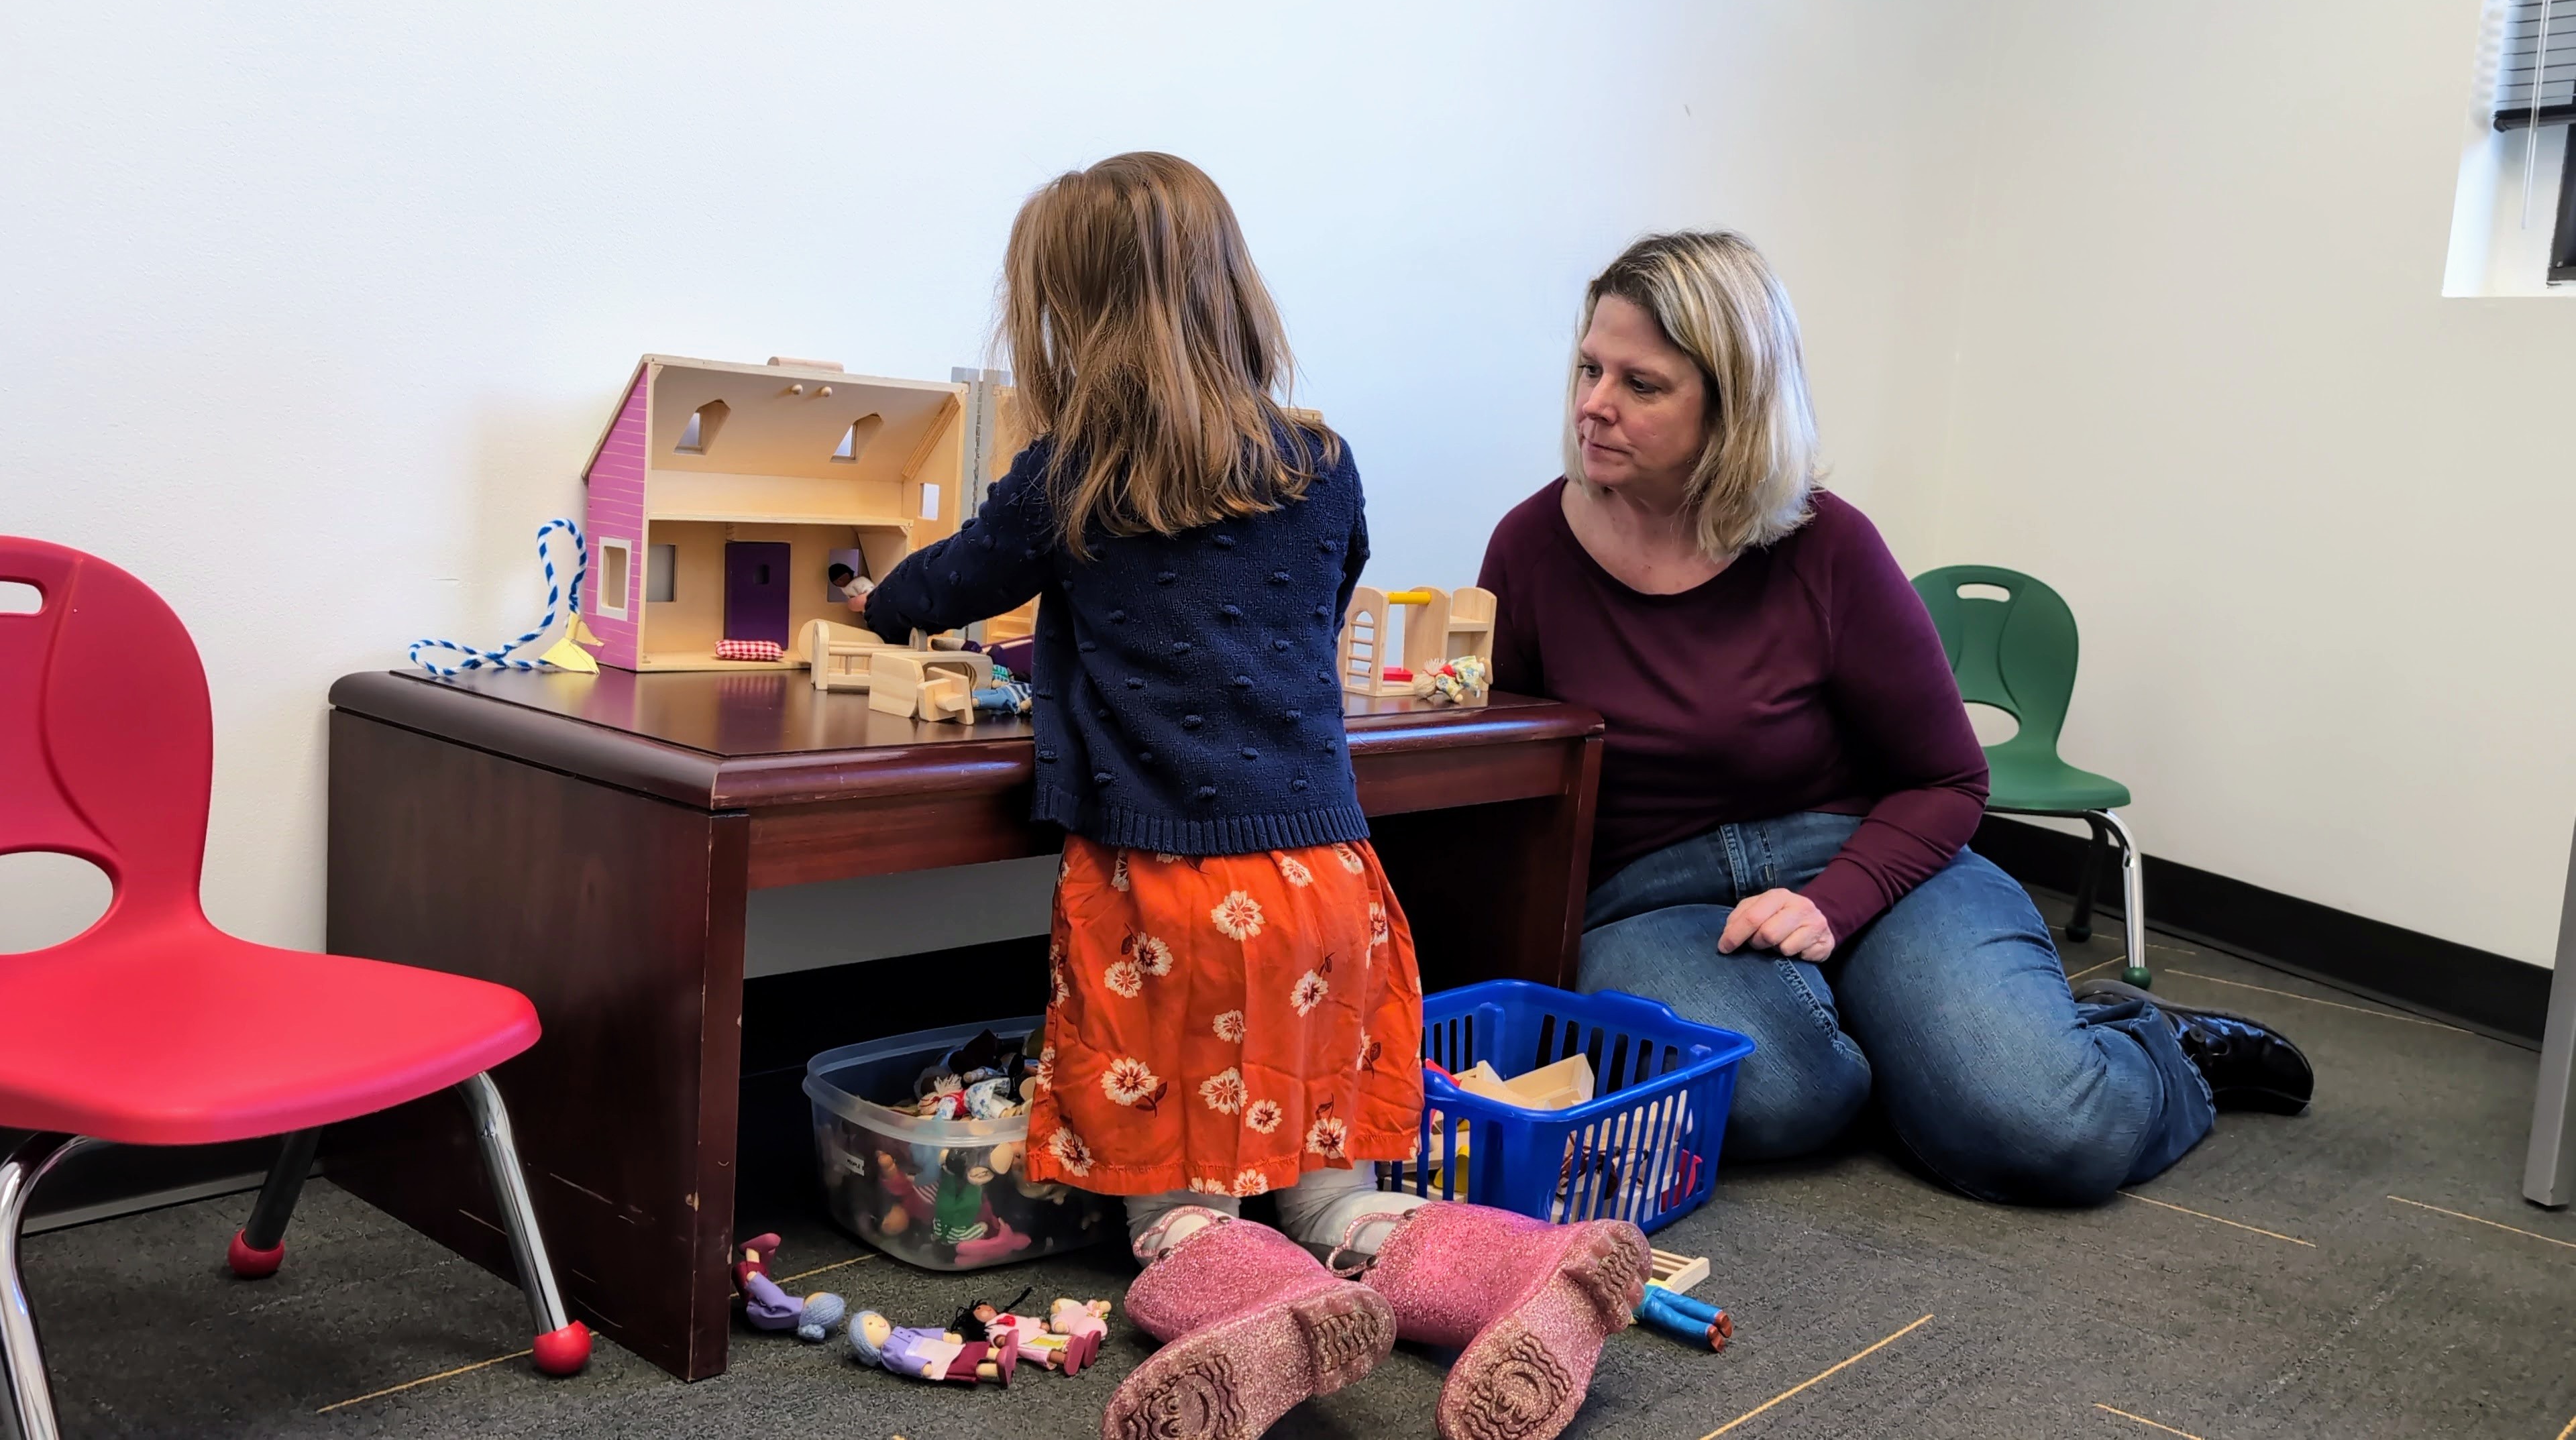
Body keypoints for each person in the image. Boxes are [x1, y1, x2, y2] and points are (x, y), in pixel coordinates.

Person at [859, 152, 1650, 1440]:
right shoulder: (1322, 460)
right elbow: (1305, 606)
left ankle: (1256, 1313)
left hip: (1163, 898)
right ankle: (1515, 1274)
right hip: (1331, 884)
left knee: (1183, 1210)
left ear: (1067, 317)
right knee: (1336, 1194)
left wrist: (865, 599)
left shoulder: (1069, 472)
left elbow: (938, 589)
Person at [1476, 229, 2312, 1208]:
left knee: (2042, 1131)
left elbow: (1951, 779)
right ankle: (1910, 1056)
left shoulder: (1826, 545)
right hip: (1651, 901)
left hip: (1864, 858)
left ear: (1733, 404)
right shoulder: (1530, 547)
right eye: (1588, 368)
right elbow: (1513, 783)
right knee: (1783, 1102)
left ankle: (2158, 1047)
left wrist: (1833, 904)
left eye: (1641, 384)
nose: (1593, 405)